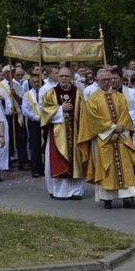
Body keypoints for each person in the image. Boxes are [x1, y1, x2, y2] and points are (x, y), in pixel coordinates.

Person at [79, 68, 135, 209]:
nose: (107, 82)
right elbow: (94, 120)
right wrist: (111, 128)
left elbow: (125, 114)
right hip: (102, 139)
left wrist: (117, 132)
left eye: (109, 79)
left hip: (121, 137)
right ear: (97, 80)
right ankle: (107, 198)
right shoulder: (93, 99)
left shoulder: (119, 96)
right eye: (103, 80)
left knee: (125, 166)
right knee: (106, 167)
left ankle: (128, 198)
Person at [41, 67, 86, 200]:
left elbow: (83, 113)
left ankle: (76, 191)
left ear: (71, 77)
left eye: (67, 76)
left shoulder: (78, 93)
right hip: (57, 135)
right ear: (57, 77)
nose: (64, 78)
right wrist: (61, 109)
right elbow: (44, 112)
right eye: (61, 76)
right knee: (57, 159)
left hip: (75, 133)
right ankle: (58, 191)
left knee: (75, 160)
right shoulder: (51, 93)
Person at [21, 74, 44, 178]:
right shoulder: (27, 94)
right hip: (33, 122)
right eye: (34, 82)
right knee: (35, 146)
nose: (36, 84)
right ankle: (34, 169)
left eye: (37, 82)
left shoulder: (44, 93)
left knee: (43, 145)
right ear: (30, 83)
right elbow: (25, 110)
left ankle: (42, 168)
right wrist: (36, 117)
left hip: (44, 121)